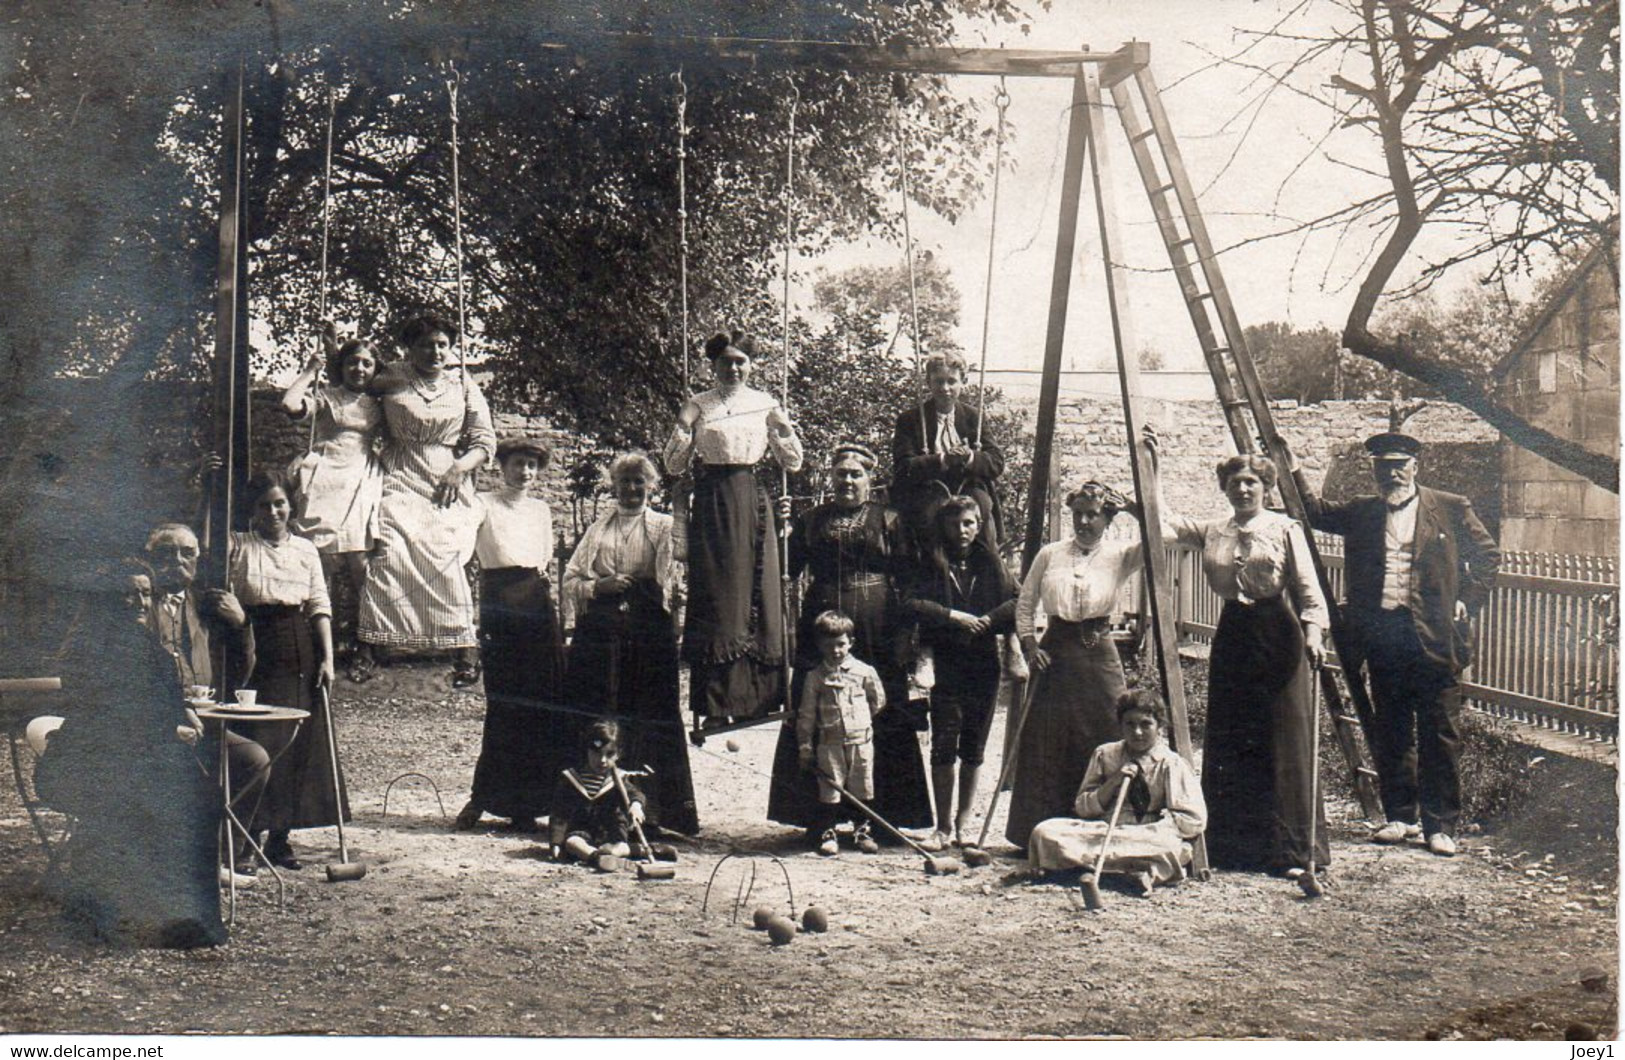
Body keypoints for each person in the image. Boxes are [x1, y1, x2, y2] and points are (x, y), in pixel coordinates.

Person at [1289, 431, 1500, 857]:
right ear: (1374, 470)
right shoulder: (1363, 511)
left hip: (1437, 640)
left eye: (1400, 464)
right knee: (1393, 729)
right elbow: (1312, 511)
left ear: (1415, 466)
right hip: (1385, 637)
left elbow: (1488, 555)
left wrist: (1466, 600)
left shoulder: (1450, 507)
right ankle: (1401, 817)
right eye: (1384, 466)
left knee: (1440, 733)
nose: (1392, 473)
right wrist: (1292, 466)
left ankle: (1440, 826)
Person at [1157, 443, 1330, 875]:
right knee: (1235, 734)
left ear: (1267, 487)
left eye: (1251, 482)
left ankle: (1291, 850)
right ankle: (1235, 847)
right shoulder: (1215, 530)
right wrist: (1154, 472)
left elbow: (1310, 592)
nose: (1243, 490)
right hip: (1233, 634)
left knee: (1282, 735)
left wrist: (1313, 635)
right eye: (1235, 484)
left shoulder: (1285, 528)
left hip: (1278, 634)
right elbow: (1164, 526)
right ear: (1225, 489)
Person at [37, 563, 225, 948]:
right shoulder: (91, 647)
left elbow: (161, 695)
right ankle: (146, 916)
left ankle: (185, 919)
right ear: (107, 598)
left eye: (145, 593)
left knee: (202, 796)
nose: (138, 601)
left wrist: (181, 710)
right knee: (165, 801)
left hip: (140, 753)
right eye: (128, 593)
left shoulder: (144, 641)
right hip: (97, 754)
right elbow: (109, 712)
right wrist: (169, 727)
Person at [766, 443, 932, 839]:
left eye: (856, 475)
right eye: (841, 474)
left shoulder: (889, 519)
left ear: (869, 480)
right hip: (820, 625)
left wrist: (908, 634)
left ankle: (883, 816)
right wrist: (780, 528)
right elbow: (787, 567)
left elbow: (910, 578)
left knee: (880, 709)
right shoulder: (811, 520)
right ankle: (817, 816)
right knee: (814, 707)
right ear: (831, 478)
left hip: (877, 626)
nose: (847, 481)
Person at [662, 330, 804, 734]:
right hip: (712, 502)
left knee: (759, 589)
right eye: (726, 361)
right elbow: (673, 466)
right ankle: (717, 702)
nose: (734, 368)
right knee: (720, 595)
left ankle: (760, 699)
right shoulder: (698, 404)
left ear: (752, 364)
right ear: (714, 364)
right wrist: (683, 426)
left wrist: (782, 427)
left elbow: (792, 463)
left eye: (741, 361)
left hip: (752, 500)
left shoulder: (765, 404)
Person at [354, 313, 497, 688]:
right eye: (425, 345)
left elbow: (484, 441)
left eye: (442, 344)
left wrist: (458, 468)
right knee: (389, 551)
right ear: (409, 349)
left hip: (447, 479)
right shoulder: (392, 377)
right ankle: (371, 646)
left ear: (452, 348)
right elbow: (349, 381)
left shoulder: (462, 383)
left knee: (446, 556)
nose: (435, 352)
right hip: (400, 473)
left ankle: (464, 649)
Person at [562, 451, 697, 836]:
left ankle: (652, 811)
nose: (632, 489)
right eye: (625, 482)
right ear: (614, 486)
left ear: (650, 486)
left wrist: (680, 506)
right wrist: (597, 586)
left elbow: (676, 568)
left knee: (649, 713)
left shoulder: (662, 525)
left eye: (640, 482)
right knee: (601, 710)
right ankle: (593, 808)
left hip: (647, 630)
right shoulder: (598, 528)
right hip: (601, 631)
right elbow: (571, 579)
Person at [1004, 482, 1143, 850]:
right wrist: (1030, 643)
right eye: (1077, 513)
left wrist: (1133, 507)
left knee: (1108, 730)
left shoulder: (1120, 554)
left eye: (1092, 514)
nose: (1083, 521)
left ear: (1107, 518)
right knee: (1048, 738)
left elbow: (1161, 537)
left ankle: (1105, 828)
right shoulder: (1051, 554)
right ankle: (1037, 831)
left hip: (1099, 651)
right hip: (1055, 650)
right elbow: (1025, 602)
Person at [227, 469, 347, 871]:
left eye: (280, 503)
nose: (274, 512)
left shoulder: (305, 550)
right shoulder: (237, 545)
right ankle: (249, 838)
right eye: (265, 505)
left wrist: (328, 659)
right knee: (258, 738)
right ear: (253, 509)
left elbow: (319, 605)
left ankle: (281, 837)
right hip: (254, 642)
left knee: (295, 744)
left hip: (299, 647)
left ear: (291, 505)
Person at [141, 524, 270, 865]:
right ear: (151, 560)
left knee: (253, 758)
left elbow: (241, 672)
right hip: (153, 724)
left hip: (204, 718)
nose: (178, 561)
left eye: (187, 553)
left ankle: (228, 854)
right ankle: (178, 859)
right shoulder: (138, 601)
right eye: (167, 554)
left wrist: (241, 623)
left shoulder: (206, 605)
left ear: (198, 560)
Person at [456, 436, 566, 832]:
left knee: (542, 704)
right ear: (501, 466)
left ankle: (533, 804)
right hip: (500, 604)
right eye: (518, 463)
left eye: (532, 466)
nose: (525, 472)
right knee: (504, 705)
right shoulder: (482, 503)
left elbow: (544, 560)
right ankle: (483, 797)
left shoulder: (540, 509)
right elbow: (462, 549)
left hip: (537, 606)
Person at [904, 496, 1017, 850]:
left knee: (974, 746)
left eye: (968, 523)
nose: (962, 531)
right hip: (946, 663)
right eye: (955, 524)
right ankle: (941, 826)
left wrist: (990, 620)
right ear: (944, 527)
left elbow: (1019, 601)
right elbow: (911, 602)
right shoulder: (930, 562)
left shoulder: (990, 563)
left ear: (979, 525)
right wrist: (953, 616)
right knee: (944, 744)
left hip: (983, 663)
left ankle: (964, 824)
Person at [1027, 690, 1207, 896]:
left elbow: (1193, 820)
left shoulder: (1171, 763)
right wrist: (1114, 781)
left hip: (1145, 834)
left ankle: (1078, 869)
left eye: (1146, 724)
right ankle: (1128, 873)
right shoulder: (1105, 754)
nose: (1137, 732)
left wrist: (1155, 828)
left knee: (1169, 846)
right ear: (1120, 725)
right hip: (1104, 829)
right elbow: (1083, 808)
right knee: (1044, 831)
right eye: (1129, 724)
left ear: (1159, 727)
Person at [280, 329, 385, 661]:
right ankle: (315, 639)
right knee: (320, 560)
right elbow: (289, 403)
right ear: (342, 366)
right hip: (325, 477)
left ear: (375, 369)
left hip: (361, 477)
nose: (359, 369)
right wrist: (311, 370)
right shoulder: (327, 395)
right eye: (353, 362)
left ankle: (364, 641)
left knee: (360, 562)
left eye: (367, 363)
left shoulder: (380, 402)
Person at [891, 351, 1006, 550]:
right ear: (928, 383)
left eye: (951, 381)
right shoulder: (911, 420)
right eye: (938, 381)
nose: (945, 388)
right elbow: (903, 467)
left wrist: (969, 457)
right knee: (929, 519)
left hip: (969, 489)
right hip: (929, 490)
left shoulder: (973, 417)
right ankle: (934, 570)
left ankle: (992, 570)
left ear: (963, 381)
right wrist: (943, 459)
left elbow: (996, 462)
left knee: (982, 514)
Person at [796, 610, 885, 857]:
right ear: (819, 645)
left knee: (862, 787)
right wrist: (805, 747)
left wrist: (860, 724)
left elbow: (877, 702)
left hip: (861, 742)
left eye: (841, 644)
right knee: (830, 790)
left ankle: (862, 831)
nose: (836, 650)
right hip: (829, 744)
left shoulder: (865, 672)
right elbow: (807, 715)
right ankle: (828, 832)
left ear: (851, 643)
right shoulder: (814, 677)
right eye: (829, 645)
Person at [549, 720, 648, 866]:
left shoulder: (619, 778)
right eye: (596, 753)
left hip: (611, 831)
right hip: (582, 830)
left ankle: (632, 850)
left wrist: (636, 806)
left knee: (614, 848)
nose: (602, 760)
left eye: (609, 754)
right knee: (572, 843)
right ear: (587, 751)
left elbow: (635, 794)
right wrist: (556, 842)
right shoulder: (571, 778)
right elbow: (559, 813)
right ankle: (597, 858)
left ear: (619, 754)